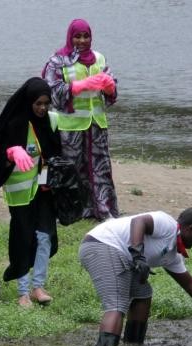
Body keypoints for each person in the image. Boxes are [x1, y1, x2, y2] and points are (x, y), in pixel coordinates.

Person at [79, 207, 192, 346]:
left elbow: (189, 283)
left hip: (120, 255)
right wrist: (138, 255)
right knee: (117, 304)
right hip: (102, 244)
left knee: (143, 295)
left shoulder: (172, 255)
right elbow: (138, 221)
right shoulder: (167, 223)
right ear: (191, 228)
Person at [0, 77, 61, 307]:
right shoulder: (15, 124)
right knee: (22, 238)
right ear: (29, 101)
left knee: (44, 237)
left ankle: (38, 286)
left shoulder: (50, 121)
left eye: (46, 103)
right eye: (37, 103)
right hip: (20, 193)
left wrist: (50, 178)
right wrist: (11, 153)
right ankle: (22, 292)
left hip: (43, 190)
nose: (42, 108)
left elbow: (56, 154)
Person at [43, 18, 119, 221]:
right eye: (78, 36)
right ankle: (71, 211)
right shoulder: (58, 60)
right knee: (72, 170)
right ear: (70, 37)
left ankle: (102, 209)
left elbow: (111, 91)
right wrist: (79, 86)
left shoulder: (99, 58)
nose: (82, 40)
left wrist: (110, 86)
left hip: (96, 124)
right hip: (71, 126)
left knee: (100, 169)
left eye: (86, 36)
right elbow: (50, 91)